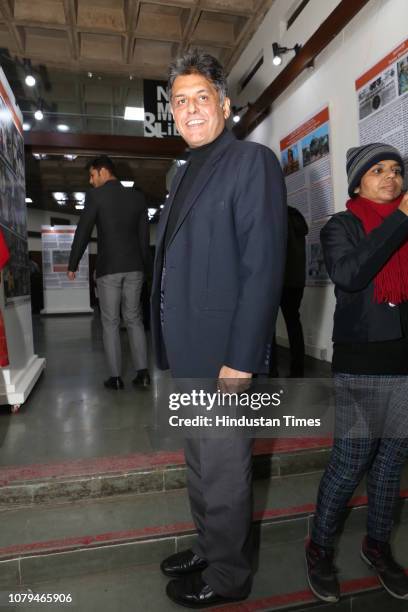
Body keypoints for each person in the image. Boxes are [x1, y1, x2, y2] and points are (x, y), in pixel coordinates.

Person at [150, 50, 287, 608]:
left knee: (226, 471)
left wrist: (243, 356)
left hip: (226, 357)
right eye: (179, 102)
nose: (189, 109)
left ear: (225, 106)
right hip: (187, 352)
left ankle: (229, 576)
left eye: (200, 97)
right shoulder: (181, 171)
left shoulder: (251, 162)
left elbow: (263, 267)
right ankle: (210, 545)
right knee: (201, 464)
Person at [305, 143, 408, 603]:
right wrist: (401, 222)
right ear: (357, 181)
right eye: (378, 170)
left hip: (405, 364)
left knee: (390, 467)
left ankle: (377, 545)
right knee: (351, 462)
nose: (391, 177)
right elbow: (351, 275)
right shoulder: (341, 227)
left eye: (397, 170)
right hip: (363, 365)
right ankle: (319, 547)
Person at [67, 156, 150, 390]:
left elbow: (83, 231)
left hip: (109, 269)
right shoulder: (137, 197)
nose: (91, 181)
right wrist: (146, 269)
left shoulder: (96, 196)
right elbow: (144, 239)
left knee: (111, 322)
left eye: (92, 175)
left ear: (104, 172)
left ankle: (115, 378)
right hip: (135, 268)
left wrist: (73, 264)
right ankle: (143, 373)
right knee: (134, 319)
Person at [270, 206, 308, 377]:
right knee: (294, 323)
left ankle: (271, 371)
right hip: (296, 280)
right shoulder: (296, 216)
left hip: (274, 280)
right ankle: (297, 369)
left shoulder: (273, 214)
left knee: (267, 326)